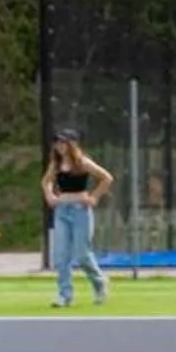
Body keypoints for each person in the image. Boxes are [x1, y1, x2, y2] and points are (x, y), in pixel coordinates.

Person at [41, 131, 112, 308]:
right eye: (56, 143)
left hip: (80, 209)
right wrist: (50, 195)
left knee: (82, 254)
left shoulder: (82, 162)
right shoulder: (56, 164)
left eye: (62, 143)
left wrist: (94, 197)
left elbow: (106, 178)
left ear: (71, 144)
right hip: (62, 210)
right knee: (61, 255)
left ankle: (99, 283)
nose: (59, 146)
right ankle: (65, 294)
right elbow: (46, 181)